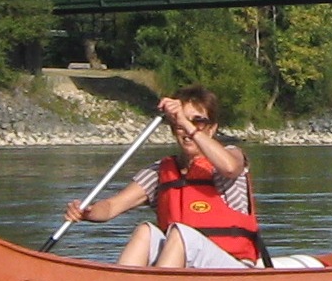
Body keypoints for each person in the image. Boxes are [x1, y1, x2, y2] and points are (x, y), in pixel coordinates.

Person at [64, 85, 266, 269]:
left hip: (232, 268)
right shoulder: (160, 172)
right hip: (186, 270)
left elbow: (230, 168)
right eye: (180, 123)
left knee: (181, 234)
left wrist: (186, 123)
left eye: (198, 121)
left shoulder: (232, 155)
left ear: (212, 129)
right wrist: (87, 212)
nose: (187, 130)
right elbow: (111, 207)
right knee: (145, 231)